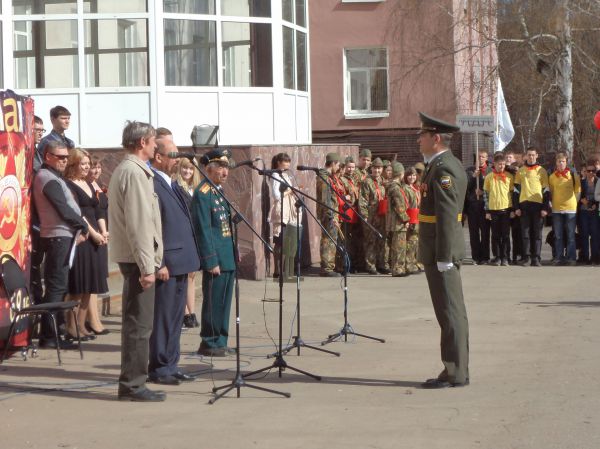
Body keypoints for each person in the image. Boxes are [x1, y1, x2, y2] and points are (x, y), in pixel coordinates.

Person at [108, 121, 164, 402]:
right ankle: (133, 385)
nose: (157, 146)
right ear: (142, 142)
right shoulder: (134, 171)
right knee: (139, 326)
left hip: (137, 259)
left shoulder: (134, 170)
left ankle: (134, 382)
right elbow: (140, 224)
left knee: (140, 324)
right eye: (154, 141)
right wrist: (148, 267)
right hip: (137, 261)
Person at [416, 112, 469, 389]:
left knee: (450, 312)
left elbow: (448, 216)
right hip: (437, 248)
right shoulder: (438, 164)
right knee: (447, 312)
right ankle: (452, 368)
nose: (419, 140)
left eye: (422, 135)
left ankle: (456, 371)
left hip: (440, 251)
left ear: (435, 138)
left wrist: (445, 256)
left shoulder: (444, 168)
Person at [148, 139, 200, 385]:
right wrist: (159, 263)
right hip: (168, 261)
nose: (178, 158)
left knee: (177, 318)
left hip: (182, 259)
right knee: (164, 318)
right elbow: (152, 226)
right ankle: (159, 367)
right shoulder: (153, 182)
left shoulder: (172, 182)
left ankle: (171, 364)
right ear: (158, 156)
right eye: (173, 153)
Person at [32, 141, 88, 350]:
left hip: (61, 237)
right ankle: (50, 336)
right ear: (48, 157)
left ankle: (55, 333)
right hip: (57, 237)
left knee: (59, 286)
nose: (65, 160)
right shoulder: (47, 177)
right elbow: (63, 209)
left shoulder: (52, 177)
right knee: (56, 287)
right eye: (60, 157)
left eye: (66, 157)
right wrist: (83, 225)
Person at [190, 148, 236, 357]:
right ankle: (209, 341)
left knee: (224, 302)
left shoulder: (218, 190)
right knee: (213, 301)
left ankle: (221, 340)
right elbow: (204, 229)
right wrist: (210, 260)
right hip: (215, 258)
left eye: (226, 168)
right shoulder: (203, 193)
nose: (225, 172)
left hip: (227, 255)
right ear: (209, 169)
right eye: (220, 168)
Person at [64, 149, 109, 341]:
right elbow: (78, 214)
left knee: (89, 286)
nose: (87, 167)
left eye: (88, 164)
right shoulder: (69, 185)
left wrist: (103, 231)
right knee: (78, 286)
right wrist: (93, 233)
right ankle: (71, 327)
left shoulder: (89, 183)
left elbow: (97, 209)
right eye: (83, 164)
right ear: (73, 164)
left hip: (96, 237)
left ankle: (82, 325)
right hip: (83, 237)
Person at [172, 157, 202, 329]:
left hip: (194, 235)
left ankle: (192, 311)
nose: (188, 172)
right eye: (185, 168)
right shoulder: (175, 187)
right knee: (183, 276)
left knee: (192, 275)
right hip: (183, 236)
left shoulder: (196, 188)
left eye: (191, 169)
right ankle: (184, 312)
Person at [85, 156, 110, 334]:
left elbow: (102, 211)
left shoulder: (98, 186)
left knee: (96, 279)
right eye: (92, 167)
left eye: (98, 167)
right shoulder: (84, 186)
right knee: (90, 280)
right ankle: (91, 320)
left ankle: (94, 319)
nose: (95, 171)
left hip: (102, 234)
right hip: (90, 235)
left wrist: (105, 231)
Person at [513, 146, 549, 267]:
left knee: (537, 234)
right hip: (524, 205)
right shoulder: (520, 171)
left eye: (533, 155)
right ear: (526, 156)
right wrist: (516, 207)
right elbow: (516, 191)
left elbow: (546, 191)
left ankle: (536, 258)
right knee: (525, 233)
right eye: (529, 155)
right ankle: (527, 257)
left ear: (537, 155)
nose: (531, 157)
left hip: (538, 205)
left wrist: (545, 208)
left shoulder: (542, 171)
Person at [269, 153, 302, 280]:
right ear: (278, 163)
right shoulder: (275, 175)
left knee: (287, 241)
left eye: (288, 162)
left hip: (290, 210)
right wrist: (291, 190)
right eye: (285, 162)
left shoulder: (286, 175)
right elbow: (276, 195)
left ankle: (285, 270)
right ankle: (277, 270)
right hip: (281, 210)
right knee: (280, 241)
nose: (287, 165)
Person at [548, 152, 581, 266]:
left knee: (571, 235)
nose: (561, 163)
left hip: (570, 209)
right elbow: (551, 192)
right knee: (558, 235)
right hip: (556, 209)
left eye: (563, 161)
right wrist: (550, 203)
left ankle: (571, 258)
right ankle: (558, 257)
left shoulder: (573, 175)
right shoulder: (552, 177)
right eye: (559, 161)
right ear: (556, 163)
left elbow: (578, 190)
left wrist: (574, 203)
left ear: (566, 162)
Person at [483, 152, 514, 266]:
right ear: (494, 164)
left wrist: (512, 210)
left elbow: (512, 194)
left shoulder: (509, 177)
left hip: (506, 209)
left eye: (503, 164)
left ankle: (505, 256)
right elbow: (486, 195)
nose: (501, 166)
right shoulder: (489, 177)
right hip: (493, 210)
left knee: (505, 235)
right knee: (495, 235)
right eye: (499, 164)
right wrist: (487, 211)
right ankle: (497, 257)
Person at [359, 157, 389, 274]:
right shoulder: (367, 182)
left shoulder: (384, 182)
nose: (377, 171)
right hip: (371, 216)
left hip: (382, 215)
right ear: (371, 169)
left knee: (382, 240)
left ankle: (382, 264)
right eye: (375, 168)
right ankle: (370, 265)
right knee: (370, 240)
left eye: (379, 168)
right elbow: (363, 200)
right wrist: (364, 215)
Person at [316, 153, 342, 277]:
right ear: (332, 164)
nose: (338, 168)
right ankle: (327, 268)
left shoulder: (327, 177)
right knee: (328, 240)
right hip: (328, 214)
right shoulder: (324, 178)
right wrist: (331, 216)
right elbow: (325, 200)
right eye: (338, 165)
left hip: (331, 213)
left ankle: (329, 266)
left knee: (331, 240)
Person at [386, 162, 414, 277]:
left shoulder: (394, 186)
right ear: (401, 174)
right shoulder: (396, 188)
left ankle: (397, 267)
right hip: (398, 222)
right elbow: (400, 206)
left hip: (394, 222)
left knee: (397, 246)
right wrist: (406, 220)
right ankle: (398, 269)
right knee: (399, 246)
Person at [465, 149, 492, 264]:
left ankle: (485, 257)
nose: (480, 159)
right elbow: (466, 186)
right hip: (473, 205)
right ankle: (476, 256)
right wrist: (473, 177)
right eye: (479, 157)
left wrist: (483, 192)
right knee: (474, 232)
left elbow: (493, 187)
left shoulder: (490, 170)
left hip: (485, 205)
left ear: (486, 158)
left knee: (485, 232)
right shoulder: (470, 170)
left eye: (483, 157)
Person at [30, 115, 46, 306]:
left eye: (42, 130)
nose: (40, 134)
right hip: (29, 217)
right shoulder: (24, 153)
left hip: (40, 217)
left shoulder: (38, 152)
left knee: (37, 264)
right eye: (37, 130)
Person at [339, 156, 361, 272]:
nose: (351, 169)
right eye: (349, 167)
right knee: (346, 239)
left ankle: (354, 264)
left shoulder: (355, 180)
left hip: (355, 212)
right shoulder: (342, 180)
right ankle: (345, 265)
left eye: (353, 167)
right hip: (347, 212)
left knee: (354, 240)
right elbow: (342, 196)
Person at [504, 150, 522, 263]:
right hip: (505, 206)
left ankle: (517, 255)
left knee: (517, 233)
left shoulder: (517, 171)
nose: (508, 159)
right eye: (507, 157)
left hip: (516, 206)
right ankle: (506, 255)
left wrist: (515, 208)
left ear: (514, 159)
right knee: (505, 234)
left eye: (510, 157)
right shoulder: (503, 171)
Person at [579, 162, 599, 265]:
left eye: (593, 171)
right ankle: (585, 257)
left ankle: (595, 257)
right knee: (584, 234)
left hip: (595, 212)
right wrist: (582, 200)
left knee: (595, 235)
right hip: (584, 212)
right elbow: (577, 195)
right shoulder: (581, 182)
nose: (591, 173)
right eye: (588, 171)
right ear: (585, 172)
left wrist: (596, 204)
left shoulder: (598, 182)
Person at [404, 167, 423, 273]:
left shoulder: (415, 188)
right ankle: (409, 264)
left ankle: (415, 262)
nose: (412, 177)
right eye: (410, 175)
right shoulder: (406, 188)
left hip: (417, 217)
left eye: (414, 175)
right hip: (410, 216)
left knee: (416, 242)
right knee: (410, 242)